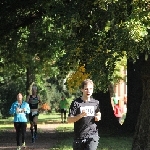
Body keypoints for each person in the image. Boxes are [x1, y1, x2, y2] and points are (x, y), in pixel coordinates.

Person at [67, 79, 101, 150]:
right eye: (86, 89)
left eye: (91, 89)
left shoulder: (95, 102)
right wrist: (80, 115)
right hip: (79, 136)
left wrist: (98, 116)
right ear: (81, 89)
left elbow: (98, 112)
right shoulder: (76, 103)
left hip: (92, 135)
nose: (88, 91)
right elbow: (69, 119)